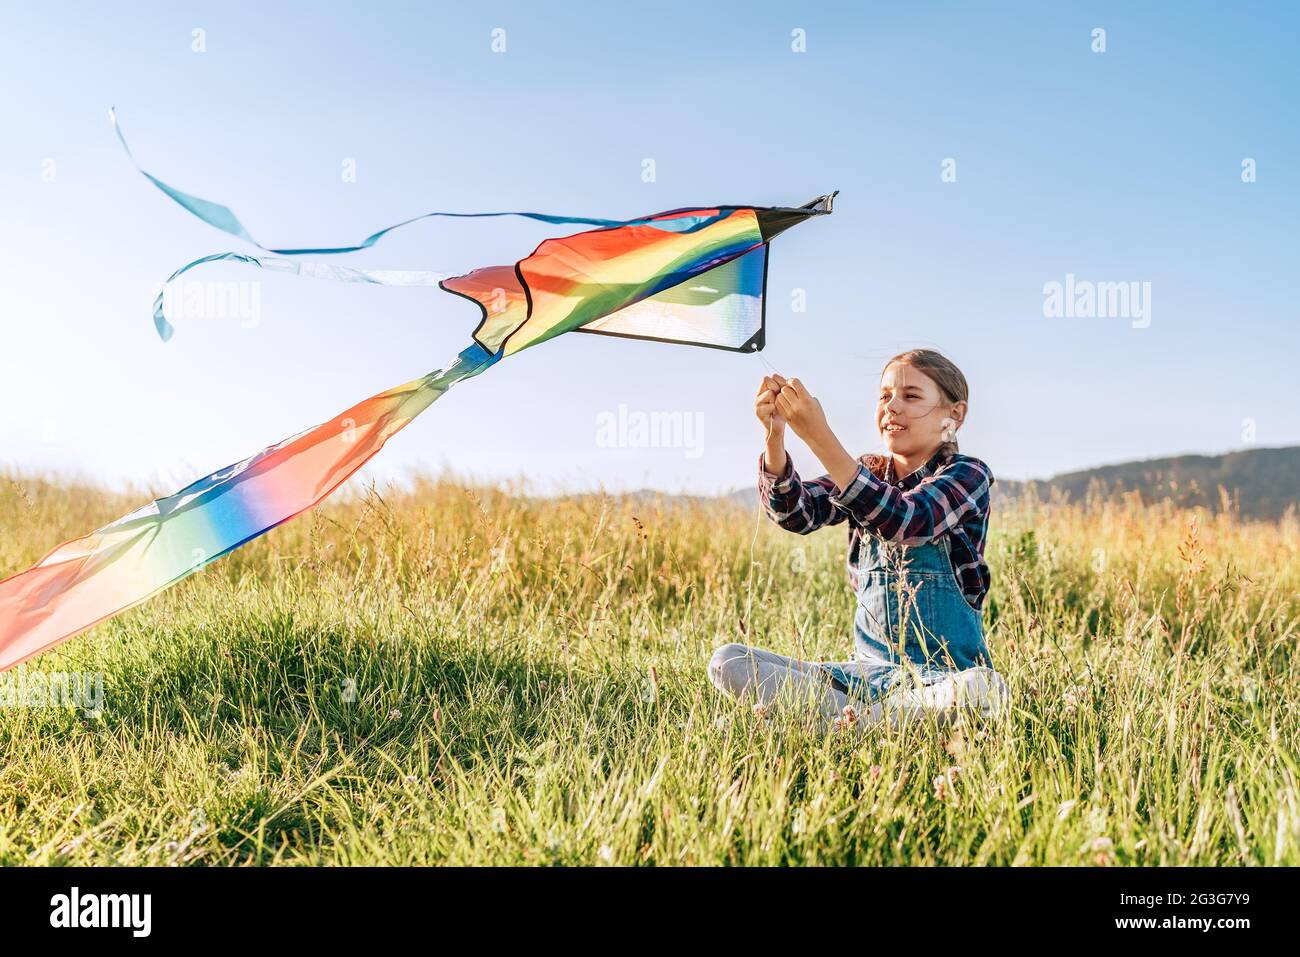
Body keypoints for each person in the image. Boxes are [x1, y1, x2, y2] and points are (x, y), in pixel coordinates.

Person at [708, 349, 1009, 733]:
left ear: (955, 414)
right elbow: (794, 513)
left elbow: (905, 519)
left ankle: (841, 725)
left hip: (941, 679)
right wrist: (776, 437)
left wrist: (819, 436)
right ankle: (868, 722)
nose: (892, 407)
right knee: (728, 660)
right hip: (863, 681)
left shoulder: (967, 474)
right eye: (884, 396)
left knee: (982, 687)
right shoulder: (868, 472)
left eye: (911, 396)